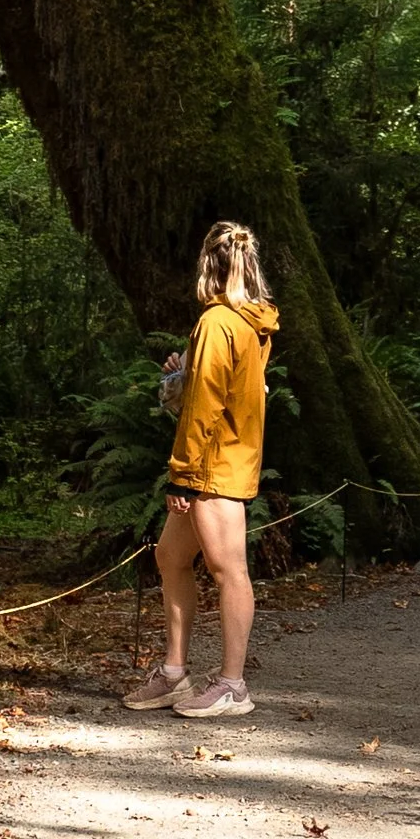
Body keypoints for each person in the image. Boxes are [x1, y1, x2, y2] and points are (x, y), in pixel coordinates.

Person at [123, 220, 278, 720]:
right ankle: (174, 673)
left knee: (229, 570)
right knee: (170, 557)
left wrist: (181, 474)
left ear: (208, 266)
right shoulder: (254, 321)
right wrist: (183, 373)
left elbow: (206, 405)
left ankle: (232, 685)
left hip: (214, 463)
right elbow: (227, 385)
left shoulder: (217, 321)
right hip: (225, 456)